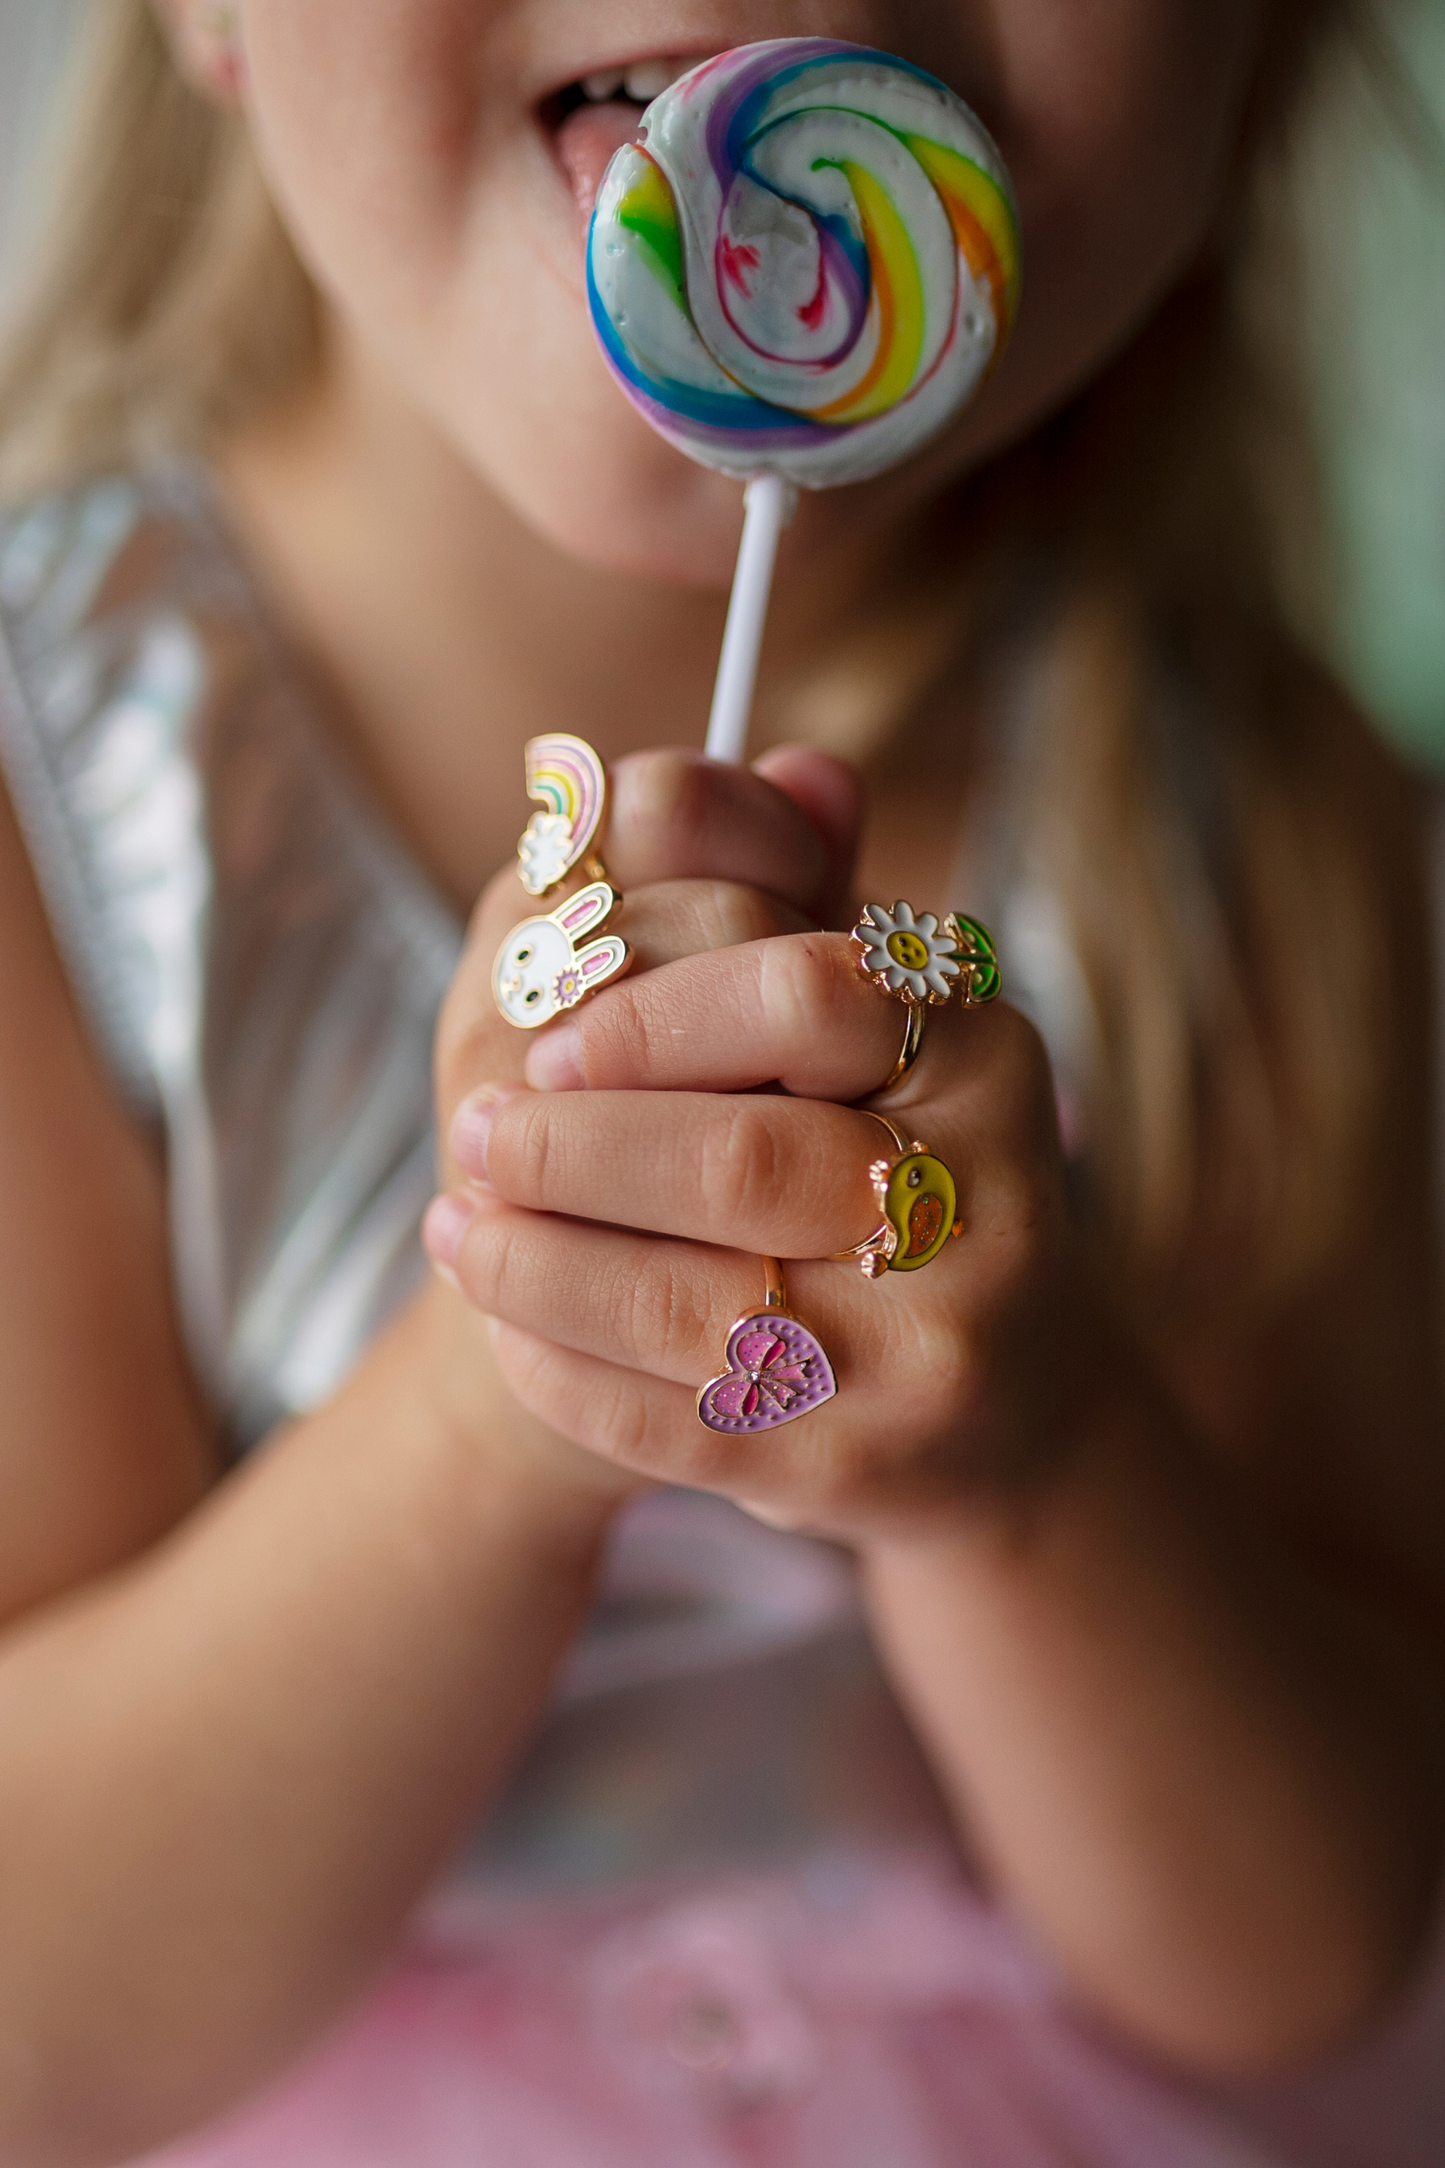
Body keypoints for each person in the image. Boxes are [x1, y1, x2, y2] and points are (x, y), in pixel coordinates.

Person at [0, 3, 1441, 2164]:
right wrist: (508, 1392)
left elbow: (1304, 1947)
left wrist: (1021, 1472)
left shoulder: (1249, 837)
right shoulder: (46, 810)